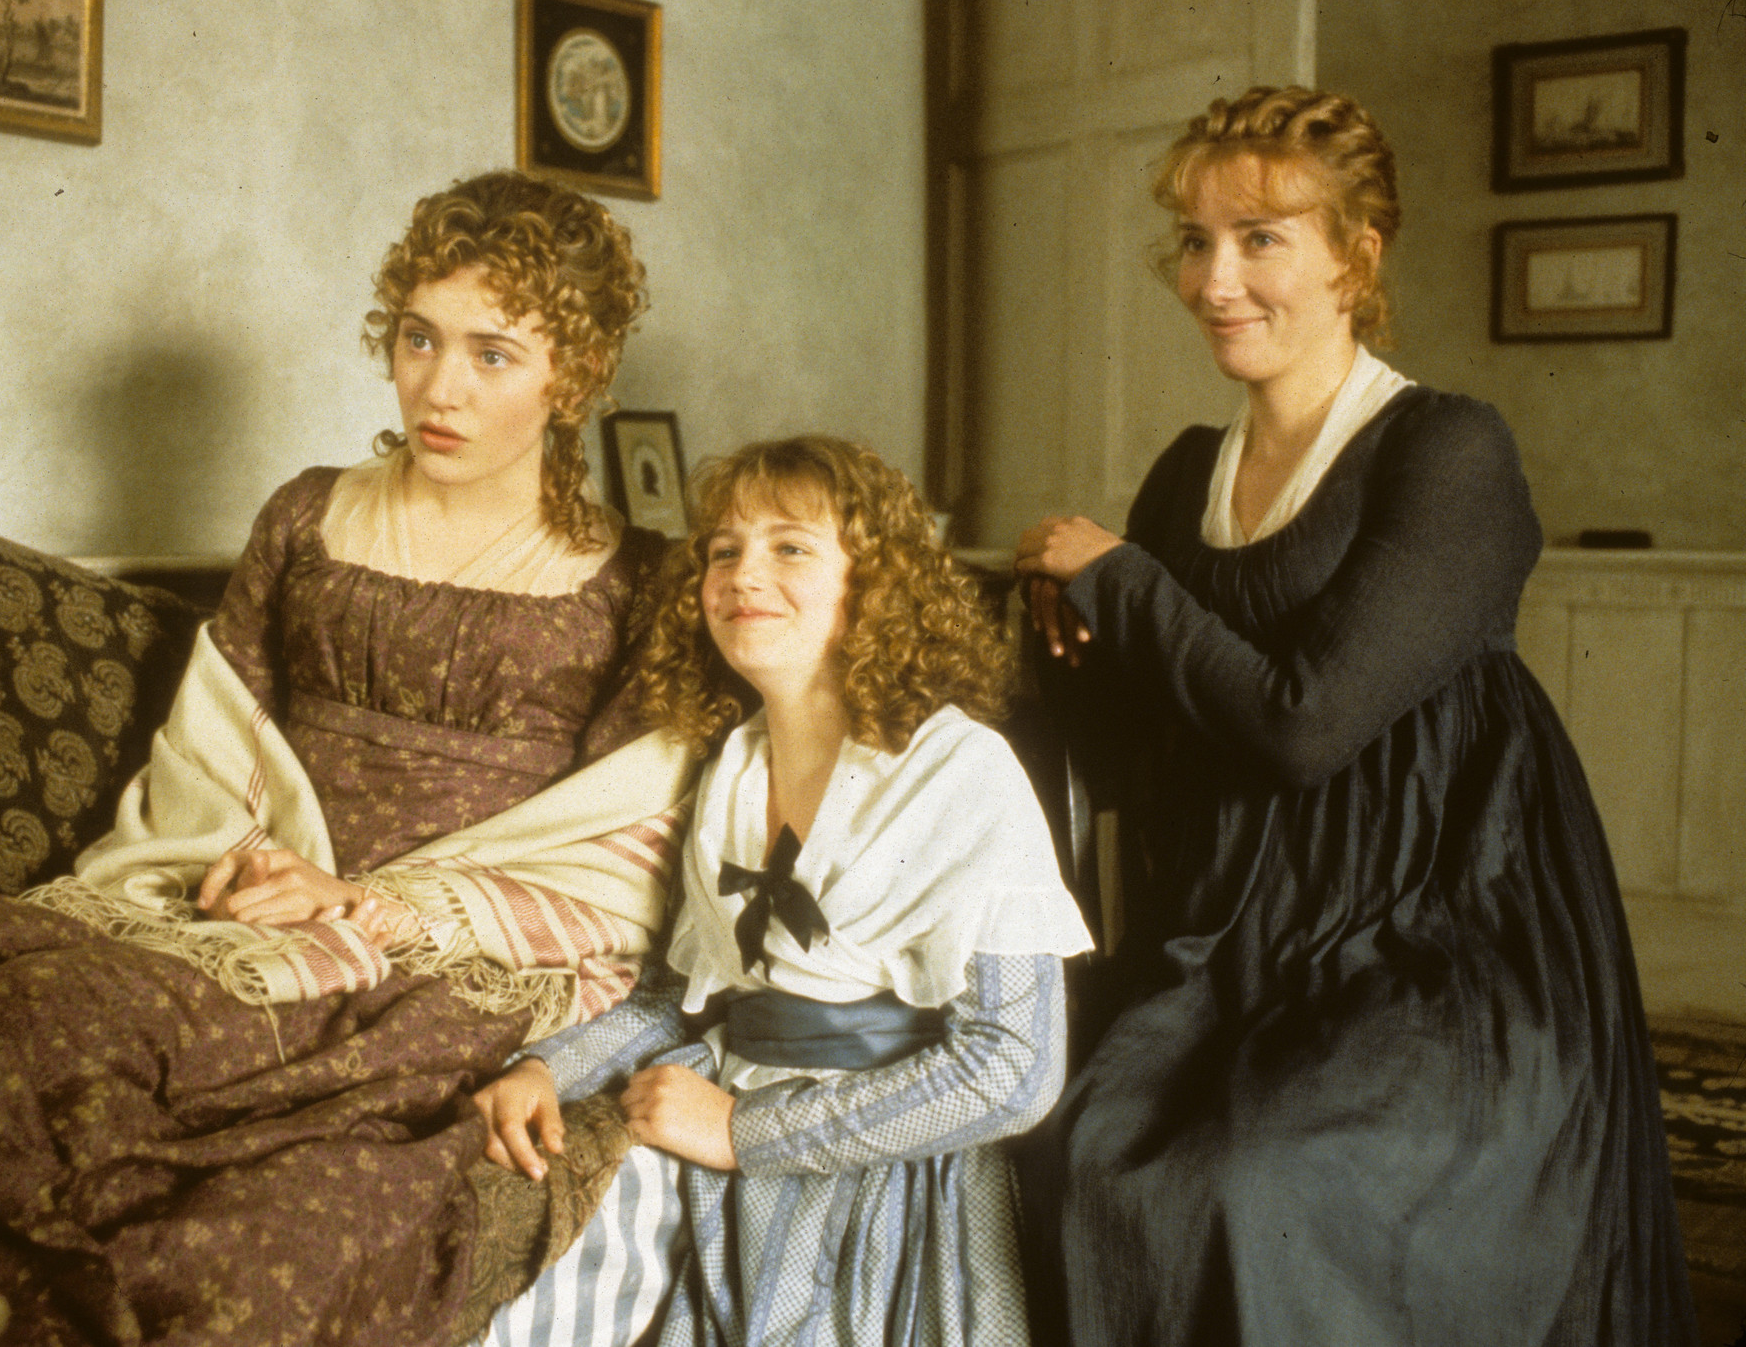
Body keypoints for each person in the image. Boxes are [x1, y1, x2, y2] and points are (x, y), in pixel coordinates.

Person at [0, 171, 690, 1347]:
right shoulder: (309, 514)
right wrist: (250, 864)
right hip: (247, 888)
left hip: (451, 961)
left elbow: (618, 844)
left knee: (267, 1214)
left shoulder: (640, 582)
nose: (438, 385)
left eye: (493, 355)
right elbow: (216, 735)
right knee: (16, 1006)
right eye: (418, 337)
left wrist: (368, 907)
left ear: (571, 376)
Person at [1011, 86, 1695, 1345]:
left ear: (1355, 255)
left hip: (1438, 934)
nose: (1215, 279)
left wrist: (1116, 578)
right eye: (1195, 241)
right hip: (1229, 933)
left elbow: (1299, 723)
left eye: (1259, 237)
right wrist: (1064, 635)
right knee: (1060, 1136)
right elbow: (1126, 755)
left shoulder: (1445, 449)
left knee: (1258, 1173)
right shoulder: (1180, 474)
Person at [473, 436, 1096, 1347]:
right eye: (723, 549)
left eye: (790, 546)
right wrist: (543, 1068)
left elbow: (1012, 1071)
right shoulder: (735, 764)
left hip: (885, 1186)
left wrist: (748, 1132)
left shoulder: (959, 770)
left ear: (872, 584)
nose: (742, 574)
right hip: (721, 1143)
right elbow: (678, 998)